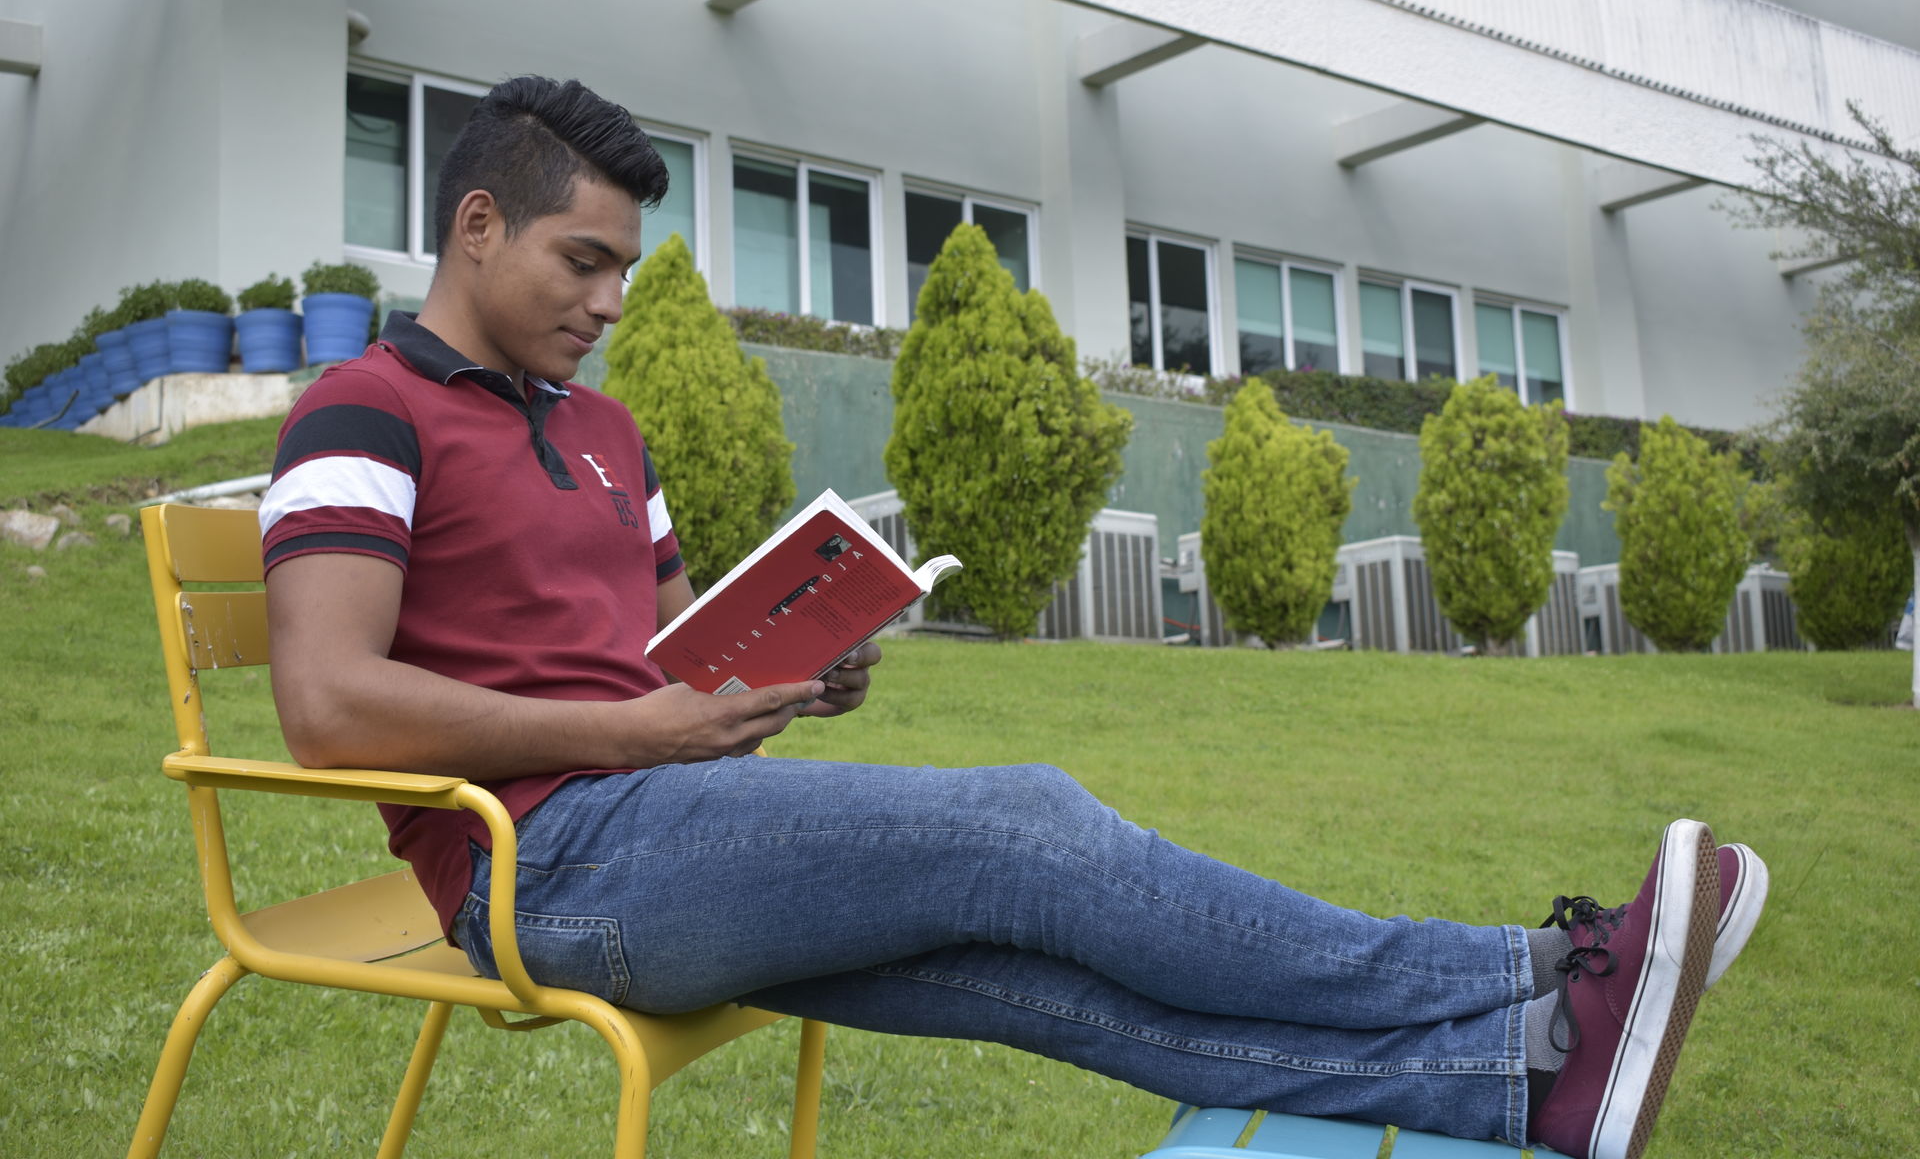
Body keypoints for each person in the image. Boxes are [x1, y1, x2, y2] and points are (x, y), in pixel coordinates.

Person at [260, 75, 1766, 1159]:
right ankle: (1531, 971)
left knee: (1031, 984)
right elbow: (327, 706)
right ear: (473, 226)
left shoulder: (608, 435)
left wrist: (786, 670)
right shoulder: (364, 412)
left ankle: (1528, 1084)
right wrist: (636, 731)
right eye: (578, 261)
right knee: (1026, 824)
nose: (604, 301)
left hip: (678, 820)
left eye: (622, 271)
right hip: (545, 871)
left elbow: (671, 652)